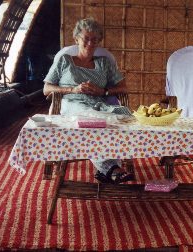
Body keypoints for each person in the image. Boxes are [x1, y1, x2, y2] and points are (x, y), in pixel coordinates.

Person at [43, 17, 134, 184]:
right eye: (86, 38)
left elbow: (123, 88)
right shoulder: (65, 61)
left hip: (99, 104)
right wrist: (73, 89)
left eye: (95, 39)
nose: (90, 43)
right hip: (72, 104)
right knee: (93, 121)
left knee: (124, 117)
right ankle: (111, 168)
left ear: (99, 41)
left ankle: (107, 169)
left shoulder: (104, 63)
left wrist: (103, 90)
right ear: (77, 39)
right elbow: (47, 89)